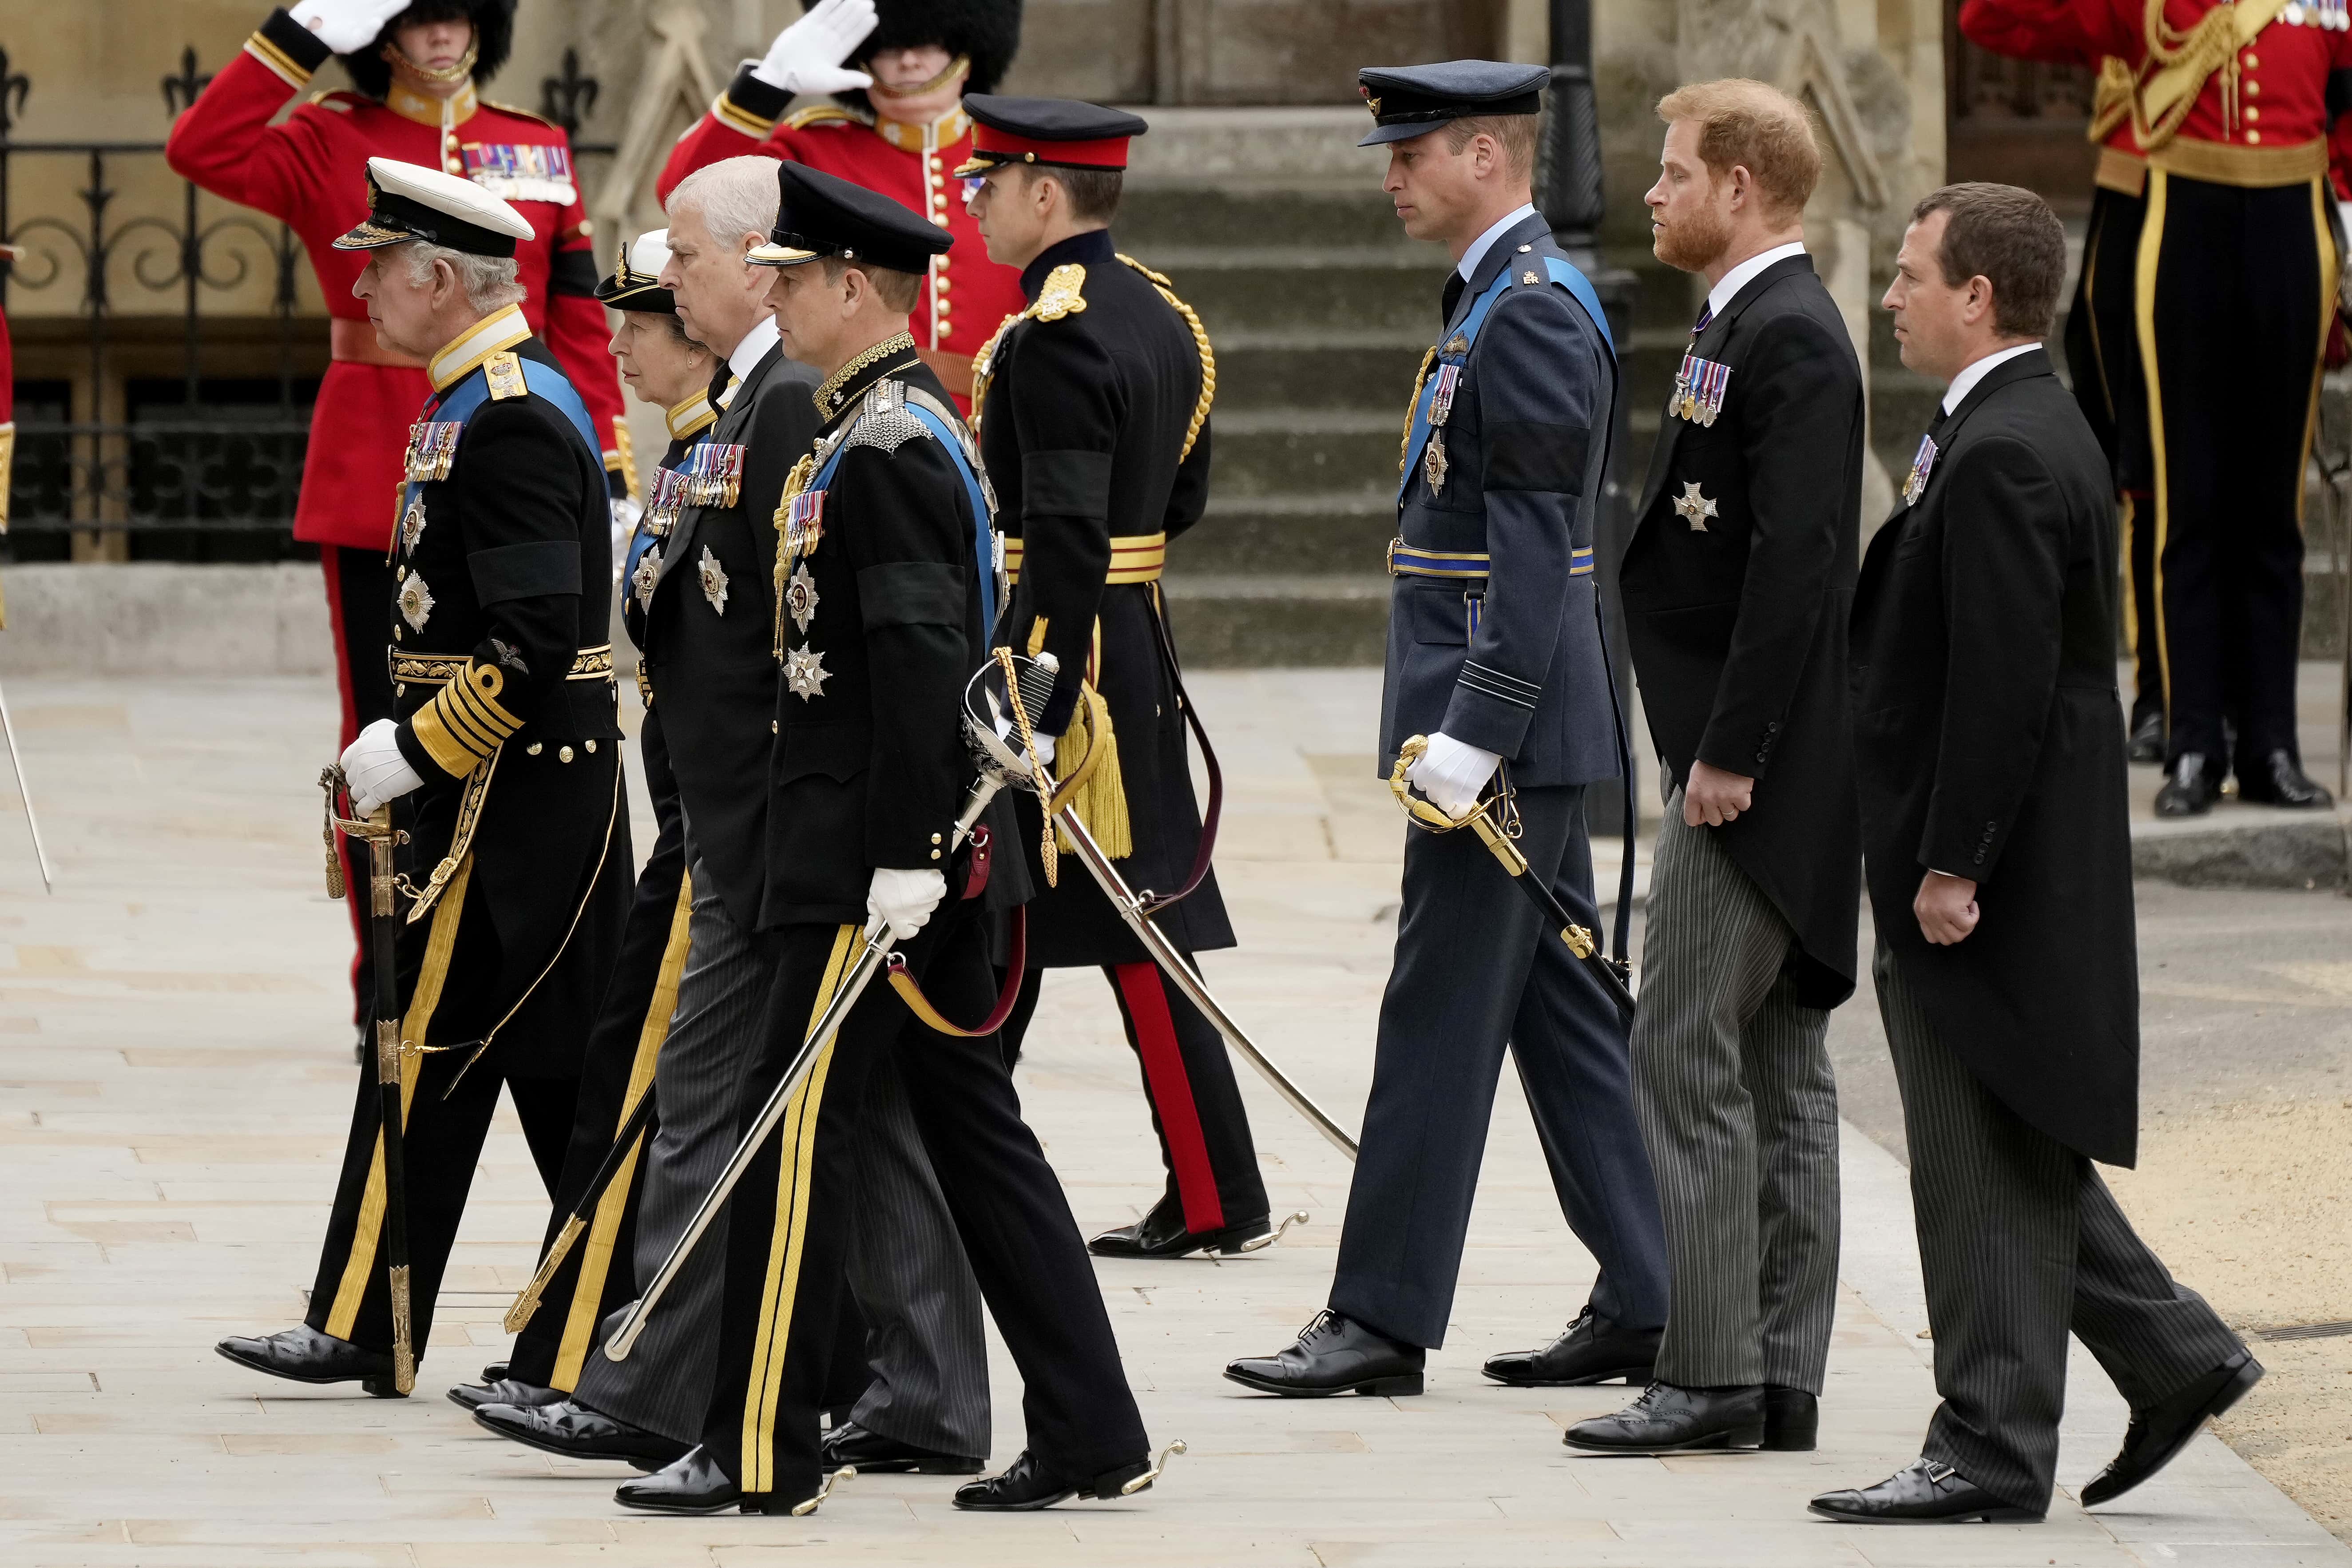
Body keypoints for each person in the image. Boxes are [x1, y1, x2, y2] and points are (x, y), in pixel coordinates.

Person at [618, 161, 1160, 1517]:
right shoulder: (860, 427)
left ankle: (759, 1447)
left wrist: (909, 855)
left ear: (848, 285)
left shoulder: (890, 445)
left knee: (791, 1135)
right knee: (974, 1138)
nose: (772, 296)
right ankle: (1093, 1427)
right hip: (882, 855)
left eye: (791, 278)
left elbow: (922, 664)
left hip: (879, 864)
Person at [1813, 181, 2260, 1525]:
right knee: (2005, 1139)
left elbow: (2005, 685)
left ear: (1976, 298)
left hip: (1988, 867)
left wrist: (1950, 863)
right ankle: (2172, 1354)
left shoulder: (2006, 446)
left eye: (1907, 276)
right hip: (1998, 853)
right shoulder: (2006, 419)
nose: (1887, 297)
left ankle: (1988, 1448)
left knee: (1970, 1160)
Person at [1224, 61, 1670, 1402]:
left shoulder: (1526, 312)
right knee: (1561, 1017)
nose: (1392, 173)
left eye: (1413, 151)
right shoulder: (1492, 297)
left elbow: (1536, 555)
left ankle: (1377, 1315)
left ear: (1487, 152)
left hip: (1501, 743)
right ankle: (1654, 1289)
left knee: (1434, 1014)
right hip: (1500, 730)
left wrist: (1477, 735)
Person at [213, 159, 630, 1393]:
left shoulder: (507, 412)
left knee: (537, 1072)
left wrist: (413, 748)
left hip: (515, 798)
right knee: (450, 1062)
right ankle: (374, 1321)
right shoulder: (466, 400)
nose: (365, 289)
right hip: (484, 795)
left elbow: (534, 635)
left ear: (440, 278)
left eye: (381, 268)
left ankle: (629, 1318)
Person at [463, 159, 843, 1468]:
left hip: (742, 823)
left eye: (677, 267)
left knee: (697, 1101)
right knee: (702, 1098)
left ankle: (653, 1380)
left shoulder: (781, 403)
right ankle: (802, 1378)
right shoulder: (733, 413)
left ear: (754, 264)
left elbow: (799, 643)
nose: (656, 302)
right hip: (702, 808)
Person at [165, 0, 629, 1041]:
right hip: (381, 458)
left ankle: (505, 952)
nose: (441, 37)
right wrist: (299, 33)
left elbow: (573, 311)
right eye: (418, 18)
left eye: (460, 17)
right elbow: (201, 146)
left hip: (515, 455)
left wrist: (603, 458)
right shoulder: (331, 131)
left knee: (524, 708)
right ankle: (393, 973)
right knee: (384, 726)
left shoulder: (534, 141)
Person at [1563, 79, 1860, 1458]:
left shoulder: (1788, 334)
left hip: (1751, 764)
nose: (1654, 192)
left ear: (1740, 186)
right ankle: (1779, 1371)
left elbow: (1799, 560)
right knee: (1775, 1061)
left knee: (1680, 1046)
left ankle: (1708, 1370)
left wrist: (1729, 749)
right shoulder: (1738, 318)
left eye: (1675, 172)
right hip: (1751, 752)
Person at [958, 95, 1274, 1258]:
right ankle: (1204, 1186)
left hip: (1067, 647)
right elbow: (1177, 500)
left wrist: (1035, 695)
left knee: (1088, 914)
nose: (974, 203)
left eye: (988, 182)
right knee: (1071, 915)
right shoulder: (1164, 316)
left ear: (1046, 193)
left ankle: (1203, 1189)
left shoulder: (1058, 336)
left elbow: (1065, 537)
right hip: (1130, 633)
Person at [447, 230, 717, 1418]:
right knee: (623, 1083)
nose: (615, 346)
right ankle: (582, 1351)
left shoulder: (732, 452)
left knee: (636, 1092)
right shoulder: (690, 455)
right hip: (690, 820)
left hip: (727, 835)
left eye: (639, 325)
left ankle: (605, 1362)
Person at [1967, 0, 2344, 816]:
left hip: (2293, 223)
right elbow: (1992, 21)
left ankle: (2271, 744)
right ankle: (2194, 744)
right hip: (2185, 223)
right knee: (2187, 503)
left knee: (2274, 511)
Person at [1956, 2, 2167, 763]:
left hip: (2273, 210)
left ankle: (2250, 721)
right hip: (2143, 188)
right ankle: (2167, 696)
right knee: (2144, 471)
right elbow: (1991, 21)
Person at [656, 0, 1027, 408]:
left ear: (968, 50)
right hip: (848, 406)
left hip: (993, 414)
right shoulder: (816, 148)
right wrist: (766, 86)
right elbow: (685, 193)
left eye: (930, 45)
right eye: (887, 48)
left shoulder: (1013, 160)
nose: (907, 62)